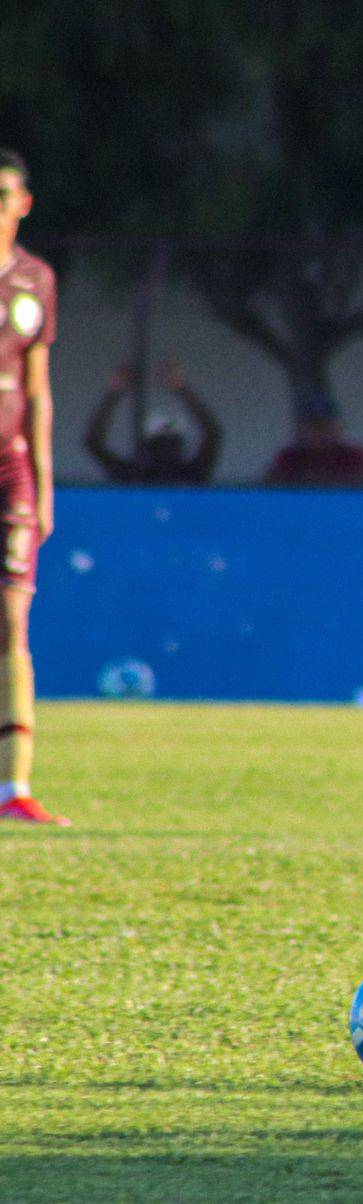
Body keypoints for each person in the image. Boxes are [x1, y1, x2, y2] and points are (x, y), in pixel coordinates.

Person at [0, 151, 67, 824]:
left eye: (2, 194)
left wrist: (44, 486)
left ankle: (13, 787)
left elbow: (38, 390)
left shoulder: (33, 279)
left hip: (11, 466)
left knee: (13, 620)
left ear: (24, 202)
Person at [82, 358, 222, 484]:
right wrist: (114, 392)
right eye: (160, 442)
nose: (166, 449)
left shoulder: (191, 475)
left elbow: (213, 434)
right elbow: (93, 443)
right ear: (148, 445)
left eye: (171, 441)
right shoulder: (133, 475)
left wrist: (114, 393)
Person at [264, 393, 363, 486]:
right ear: (301, 430)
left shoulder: (353, 456)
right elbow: (271, 488)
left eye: (327, 427)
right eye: (314, 427)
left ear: (340, 429)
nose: (321, 433)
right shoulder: (289, 457)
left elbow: (362, 489)